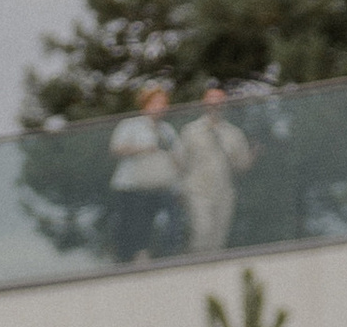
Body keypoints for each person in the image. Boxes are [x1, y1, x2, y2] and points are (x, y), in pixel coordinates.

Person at [106, 83, 182, 263]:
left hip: (158, 186)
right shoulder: (131, 125)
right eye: (156, 102)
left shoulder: (167, 130)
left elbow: (177, 157)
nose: (160, 107)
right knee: (132, 229)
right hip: (132, 187)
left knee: (164, 224)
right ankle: (133, 259)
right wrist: (141, 149)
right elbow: (115, 149)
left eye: (163, 103)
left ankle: (166, 256)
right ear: (145, 104)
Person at [175, 85, 255, 255]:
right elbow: (179, 162)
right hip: (197, 189)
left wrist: (252, 157)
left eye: (219, 100)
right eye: (211, 100)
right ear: (204, 103)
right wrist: (180, 189)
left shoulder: (233, 133)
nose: (215, 104)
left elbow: (241, 165)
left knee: (218, 238)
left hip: (223, 191)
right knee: (201, 231)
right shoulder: (191, 131)